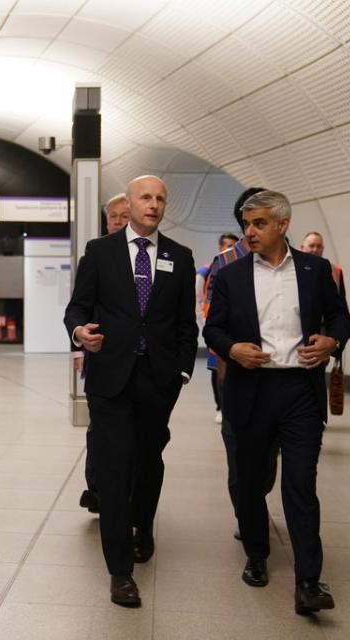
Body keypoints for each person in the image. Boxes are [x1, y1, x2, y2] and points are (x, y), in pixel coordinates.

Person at [204, 190, 350, 616]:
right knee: (249, 480)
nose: (250, 231)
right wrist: (233, 350)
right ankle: (256, 553)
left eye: (259, 223)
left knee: (301, 483)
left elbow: (339, 316)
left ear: (282, 225)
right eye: (247, 224)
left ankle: (308, 581)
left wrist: (332, 341)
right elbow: (212, 329)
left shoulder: (315, 270)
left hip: (301, 391)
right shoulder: (231, 277)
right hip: (250, 390)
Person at [64, 175, 198, 608]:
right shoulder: (99, 253)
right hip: (110, 378)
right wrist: (80, 331)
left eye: (160, 198)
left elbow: (184, 325)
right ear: (130, 202)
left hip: (158, 380)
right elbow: (78, 308)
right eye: (146, 197)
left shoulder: (180, 256)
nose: (154, 204)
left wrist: (180, 373)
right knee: (116, 469)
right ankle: (120, 571)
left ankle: (144, 524)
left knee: (148, 461)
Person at [204, 188, 278, 537]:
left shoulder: (288, 262)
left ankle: (255, 500)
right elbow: (212, 320)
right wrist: (226, 361)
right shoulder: (224, 263)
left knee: (267, 460)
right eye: (250, 221)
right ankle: (247, 518)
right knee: (238, 451)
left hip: (277, 378)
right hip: (233, 372)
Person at [76, 192, 130, 514]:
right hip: (102, 356)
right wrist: (78, 347)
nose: (120, 223)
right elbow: (80, 307)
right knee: (99, 430)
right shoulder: (95, 255)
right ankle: (96, 488)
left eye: (125, 216)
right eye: (115, 217)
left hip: (138, 361)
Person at [197, 232, 238, 424]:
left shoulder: (239, 268)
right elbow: (198, 296)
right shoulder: (207, 269)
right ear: (220, 247)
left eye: (234, 245)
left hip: (232, 326)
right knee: (216, 367)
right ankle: (220, 406)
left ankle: (230, 405)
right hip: (213, 323)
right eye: (227, 245)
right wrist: (202, 320)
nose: (230, 248)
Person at [300, 231, 346, 299]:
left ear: (323, 248)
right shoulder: (294, 269)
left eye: (319, 246)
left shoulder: (335, 270)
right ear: (302, 248)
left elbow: (342, 300)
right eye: (311, 246)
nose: (315, 250)